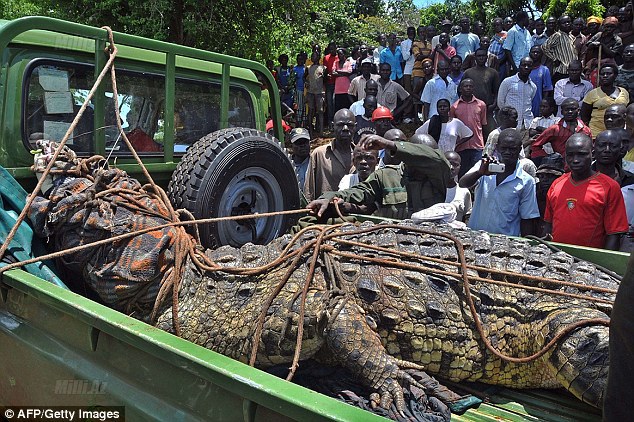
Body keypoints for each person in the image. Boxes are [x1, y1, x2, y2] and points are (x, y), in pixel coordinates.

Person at [306, 134, 451, 220]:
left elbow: (438, 160)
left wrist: (390, 145)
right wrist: (330, 196)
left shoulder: (439, 176)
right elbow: (358, 192)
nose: (423, 163)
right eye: (418, 157)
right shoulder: (386, 175)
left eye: (425, 157)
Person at [543, 133, 628, 250]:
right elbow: (548, 224)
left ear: (592, 154)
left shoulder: (610, 187)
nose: (576, 160)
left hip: (590, 262)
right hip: (557, 258)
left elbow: (614, 234)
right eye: (570, 155)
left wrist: (605, 263)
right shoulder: (557, 184)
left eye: (581, 154)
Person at [459, 128, 540, 237]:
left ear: (519, 149)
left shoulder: (526, 182)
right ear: (497, 147)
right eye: (504, 148)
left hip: (505, 242)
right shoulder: (483, 166)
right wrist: (480, 173)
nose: (507, 152)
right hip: (476, 237)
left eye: (512, 149)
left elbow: (527, 218)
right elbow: (462, 183)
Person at [304, 109, 355, 201]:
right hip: (325, 212)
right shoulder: (319, 154)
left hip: (355, 213)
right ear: (332, 126)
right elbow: (309, 191)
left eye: (350, 125)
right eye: (340, 125)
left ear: (355, 127)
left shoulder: (363, 157)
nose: (345, 128)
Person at [411, 151, 472, 223]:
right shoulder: (428, 186)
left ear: (459, 167)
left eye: (455, 165)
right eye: (448, 163)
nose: (451, 167)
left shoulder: (463, 191)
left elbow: (467, 216)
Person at [531, 98, 592, 166]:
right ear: (562, 112)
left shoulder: (586, 130)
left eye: (573, 109)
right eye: (567, 110)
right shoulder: (555, 129)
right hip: (561, 168)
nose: (570, 112)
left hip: (581, 167)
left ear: (578, 111)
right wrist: (547, 158)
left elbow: (590, 149)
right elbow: (535, 145)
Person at [581, 63, 630, 137]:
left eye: (608, 73)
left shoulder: (624, 92)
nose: (605, 76)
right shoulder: (592, 94)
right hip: (597, 133)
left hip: (619, 133)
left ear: (615, 75)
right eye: (602, 74)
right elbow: (584, 116)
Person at [451, 78, 487, 173]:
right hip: (461, 146)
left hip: (477, 145)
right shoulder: (454, 107)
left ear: (474, 88)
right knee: (462, 173)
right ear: (460, 89)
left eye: (470, 86)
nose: (468, 88)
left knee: (478, 173)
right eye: (465, 86)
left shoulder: (481, 105)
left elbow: (483, 125)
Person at [463, 48, 500, 139]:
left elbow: (496, 91)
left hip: (488, 109)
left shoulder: (493, 72)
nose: (481, 58)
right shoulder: (468, 72)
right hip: (471, 108)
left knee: (490, 134)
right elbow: (461, 90)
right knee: (471, 133)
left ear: (486, 57)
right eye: (479, 56)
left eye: (483, 56)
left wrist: (494, 104)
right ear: (475, 57)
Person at [497, 57, 537, 141]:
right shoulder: (507, 82)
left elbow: (530, 102)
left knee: (524, 152)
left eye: (529, 66)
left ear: (532, 68)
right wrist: (508, 118)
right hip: (509, 124)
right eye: (524, 65)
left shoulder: (533, 86)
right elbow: (500, 102)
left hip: (526, 125)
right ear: (519, 66)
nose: (526, 67)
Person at [542, 15, 578, 83]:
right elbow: (544, 47)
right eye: (564, 23)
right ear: (559, 25)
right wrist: (554, 59)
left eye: (568, 22)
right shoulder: (557, 35)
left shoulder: (571, 36)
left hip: (572, 72)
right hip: (561, 72)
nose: (567, 24)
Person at [528, 46, 554, 119]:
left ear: (542, 55)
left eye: (538, 52)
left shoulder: (544, 70)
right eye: (533, 52)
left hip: (537, 104)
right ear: (529, 54)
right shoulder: (525, 69)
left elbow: (547, 90)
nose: (535, 54)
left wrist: (542, 107)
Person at [503, 11, 532, 75]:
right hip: (517, 66)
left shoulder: (527, 32)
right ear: (523, 19)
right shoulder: (513, 31)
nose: (529, 21)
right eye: (527, 18)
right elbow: (507, 50)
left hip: (527, 66)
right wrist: (514, 67)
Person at [306, 51, 326, 137]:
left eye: (315, 56)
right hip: (310, 92)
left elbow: (325, 80)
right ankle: (310, 131)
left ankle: (321, 131)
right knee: (310, 111)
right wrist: (307, 82)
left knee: (320, 111)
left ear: (318, 57)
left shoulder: (323, 68)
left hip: (320, 92)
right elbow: (304, 76)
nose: (313, 58)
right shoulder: (308, 67)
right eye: (312, 56)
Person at [288, 128, 311, 193]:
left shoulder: (316, 162)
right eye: (298, 143)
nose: (302, 145)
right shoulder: (288, 166)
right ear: (291, 145)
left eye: (305, 142)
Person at [332, 48, 354, 113]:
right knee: (338, 108)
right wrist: (344, 74)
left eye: (341, 54)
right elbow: (333, 73)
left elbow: (349, 73)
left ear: (344, 54)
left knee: (346, 107)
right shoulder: (335, 63)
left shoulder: (348, 63)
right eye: (338, 54)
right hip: (338, 90)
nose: (339, 56)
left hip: (346, 89)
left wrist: (338, 71)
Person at [323, 42, 338, 127]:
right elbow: (325, 70)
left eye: (333, 48)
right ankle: (330, 122)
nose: (332, 50)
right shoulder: (326, 58)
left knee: (335, 102)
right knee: (329, 104)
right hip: (329, 83)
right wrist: (326, 75)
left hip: (338, 84)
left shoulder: (339, 57)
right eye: (330, 49)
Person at [292, 53, 307, 127]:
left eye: (301, 59)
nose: (300, 61)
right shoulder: (294, 69)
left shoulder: (306, 68)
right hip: (298, 90)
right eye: (298, 59)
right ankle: (298, 125)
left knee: (305, 108)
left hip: (306, 91)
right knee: (299, 109)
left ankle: (305, 125)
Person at [401, 26, 417, 93]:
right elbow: (405, 57)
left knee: (416, 89)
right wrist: (411, 49)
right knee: (408, 90)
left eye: (413, 33)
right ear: (407, 34)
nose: (411, 35)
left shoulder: (418, 43)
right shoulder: (404, 43)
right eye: (410, 33)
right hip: (408, 69)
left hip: (417, 68)